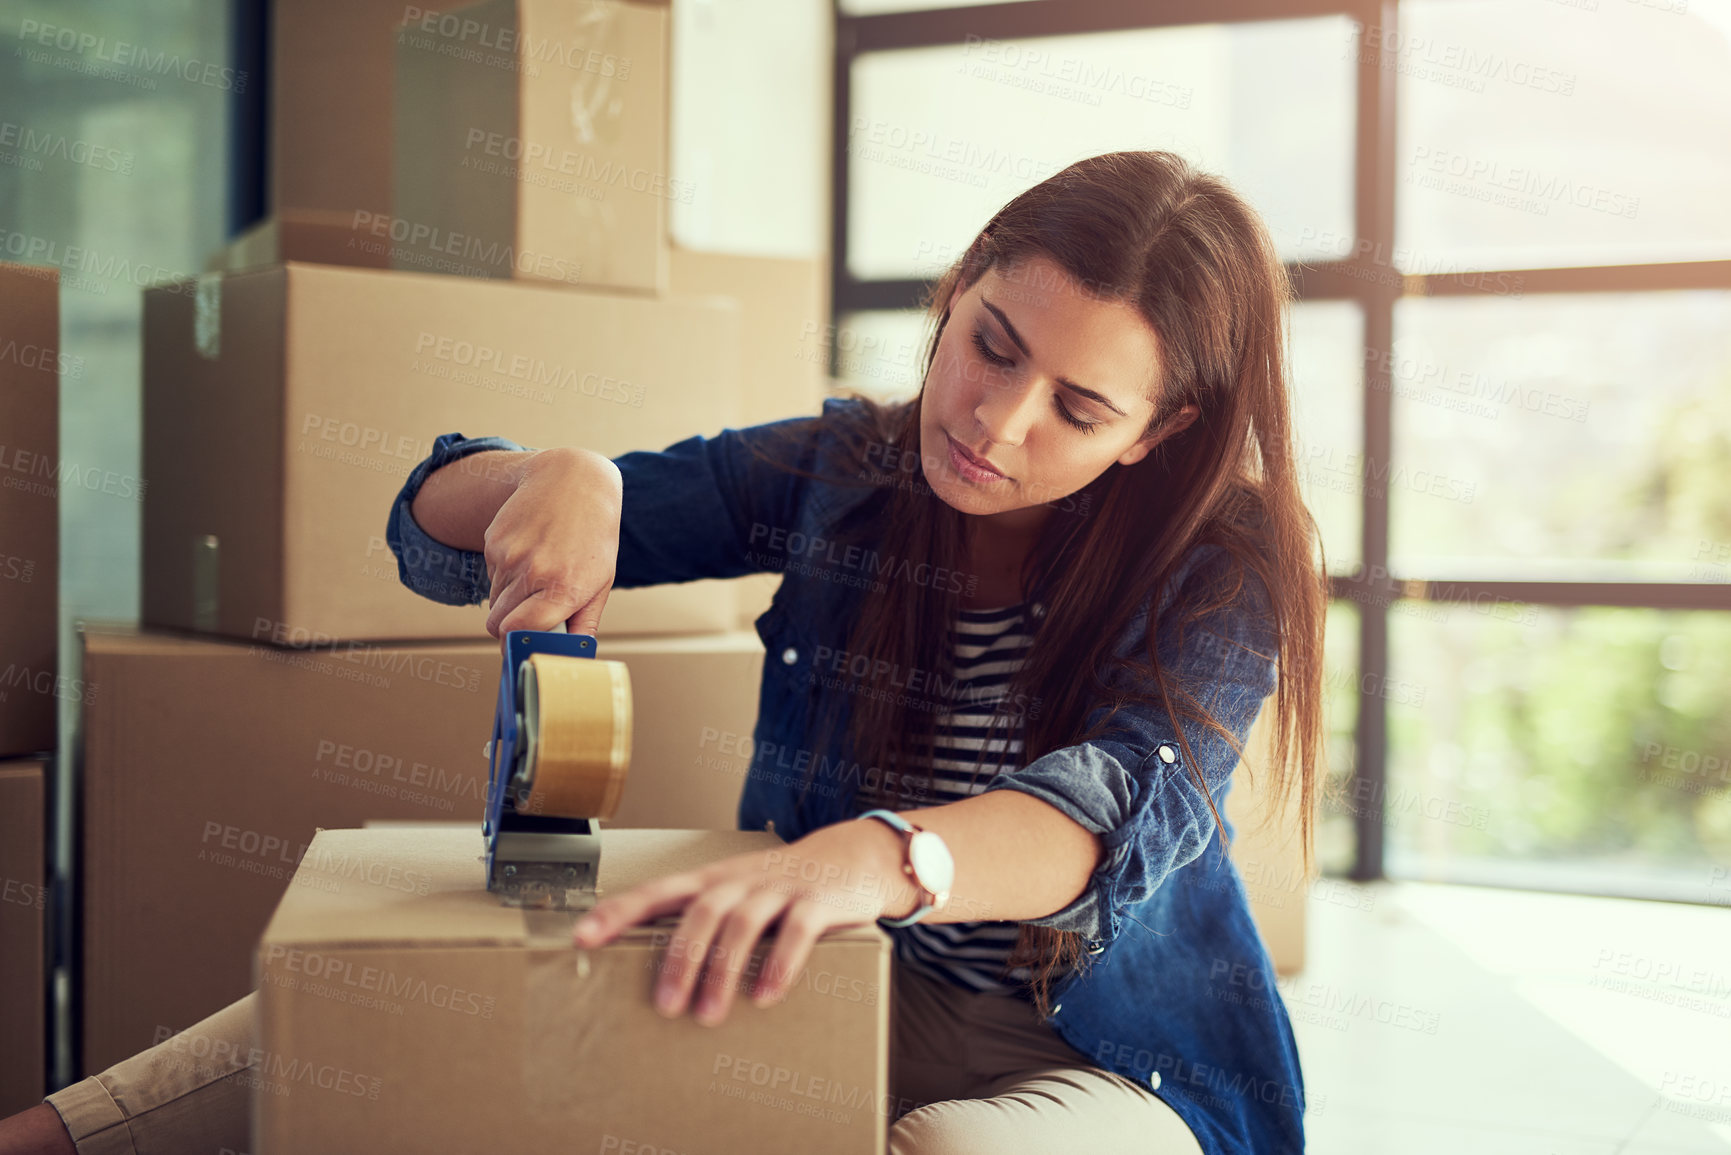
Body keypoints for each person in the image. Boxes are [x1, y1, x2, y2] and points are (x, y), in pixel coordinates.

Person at [0, 149, 1326, 1154]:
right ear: (964, 283)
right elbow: (431, 521)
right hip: (846, 980)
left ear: (1154, 432)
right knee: (407, 987)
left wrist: (879, 856)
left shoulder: (1226, 565)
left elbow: (1120, 809)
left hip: (1108, 1058)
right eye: (991, 344)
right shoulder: (846, 471)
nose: (994, 418)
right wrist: (567, 480)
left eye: (1077, 406)